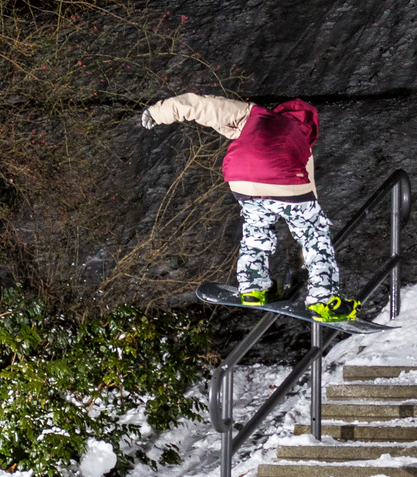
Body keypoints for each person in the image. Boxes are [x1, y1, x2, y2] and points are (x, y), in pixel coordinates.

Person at [142, 93, 360, 321]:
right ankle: (324, 299)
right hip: (282, 174)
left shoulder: (254, 115)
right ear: (310, 125)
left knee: (256, 227)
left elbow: (204, 106)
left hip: (241, 175)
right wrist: (305, 245)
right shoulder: (301, 139)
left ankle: (253, 285)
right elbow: (308, 196)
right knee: (314, 235)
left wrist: (158, 113)